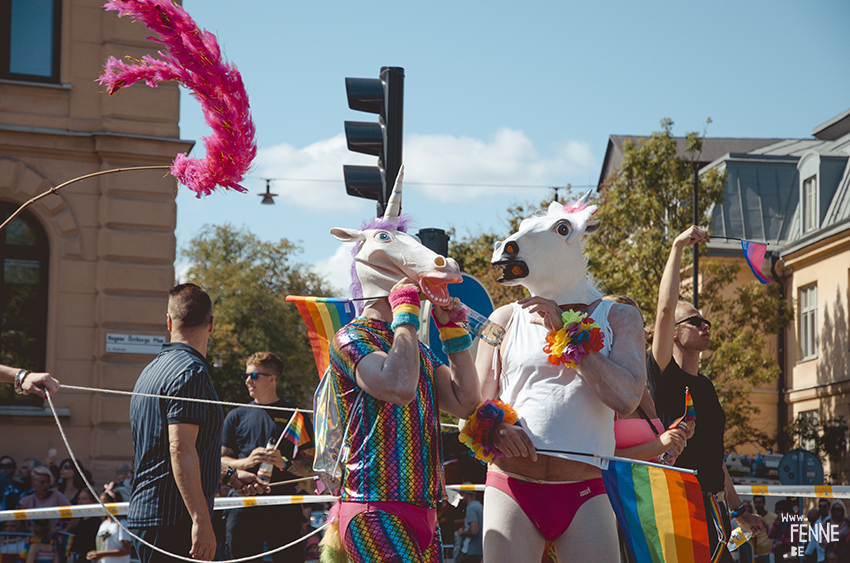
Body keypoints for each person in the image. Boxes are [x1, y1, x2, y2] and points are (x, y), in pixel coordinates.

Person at [475, 197, 646, 562]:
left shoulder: (620, 317)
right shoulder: (502, 318)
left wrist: (567, 337)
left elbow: (627, 399)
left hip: (585, 490)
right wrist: (496, 429)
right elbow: (472, 405)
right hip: (511, 486)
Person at [326, 174, 481, 563]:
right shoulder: (350, 338)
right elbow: (398, 387)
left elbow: (466, 403)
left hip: (425, 508)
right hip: (373, 508)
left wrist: (452, 333)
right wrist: (407, 311)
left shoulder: (416, 350)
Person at [647, 226, 766, 562]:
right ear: (672, 333)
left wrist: (740, 510)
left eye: (706, 322)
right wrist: (677, 246)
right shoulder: (663, 375)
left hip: (714, 511)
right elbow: (665, 310)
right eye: (695, 321)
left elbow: (716, 458)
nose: (705, 326)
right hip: (679, 506)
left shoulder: (707, 387)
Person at [127, 283, 223, 563]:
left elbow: (174, 448)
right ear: (212, 324)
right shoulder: (190, 372)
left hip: (150, 515)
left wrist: (228, 474)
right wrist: (201, 521)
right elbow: (180, 448)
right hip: (173, 520)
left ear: (168, 321)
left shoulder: (151, 370)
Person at [220, 351, 315, 563]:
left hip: (283, 503)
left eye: (253, 376)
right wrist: (246, 463)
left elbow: (311, 467)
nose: (247, 381)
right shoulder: (236, 415)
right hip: (243, 502)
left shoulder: (295, 415)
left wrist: (283, 463)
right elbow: (220, 463)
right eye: (246, 375)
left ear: (272, 379)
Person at [17, 466, 76, 533]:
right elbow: (26, 526)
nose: (46, 485)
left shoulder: (57, 496)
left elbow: (75, 516)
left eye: (48, 482)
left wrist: (63, 532)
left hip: (55, 540)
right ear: (33, 484)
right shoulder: (25, 502)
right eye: (42, 482)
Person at [85, 491, 131, 563]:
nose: (102, 506)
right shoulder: (104, 524)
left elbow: (127, 550)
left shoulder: (122, 523)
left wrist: (102, 554)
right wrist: (94, 555)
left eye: (105, 503)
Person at [456, 490, 483, 563]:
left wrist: (461, 533)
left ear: (466, 494)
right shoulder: (480, 506)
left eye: (461, 494)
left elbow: (473, 531)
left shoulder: (471, 508)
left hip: (471, 550)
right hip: (479, 549)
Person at [751, 495, 776, 563]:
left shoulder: (774, 517)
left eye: (760, 502)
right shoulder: (753, 519)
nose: (758, 505)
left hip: (770, 553)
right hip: (758, 554)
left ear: (764, 503)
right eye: (756, 503)